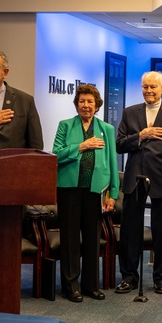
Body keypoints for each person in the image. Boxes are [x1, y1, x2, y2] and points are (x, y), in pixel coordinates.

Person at [114, 71, 162, 296]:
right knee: (129, 231)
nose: (148, 91)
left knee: (161, 231)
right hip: (134, 180)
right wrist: (141, 135)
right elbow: (119, 145)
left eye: (153, 87)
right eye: (145, 87)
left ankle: (160, 278)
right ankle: (128, 277)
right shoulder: (130, 113)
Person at [52, 84, 119, 302]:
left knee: (92, 239)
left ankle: (91, 286)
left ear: (96, 105)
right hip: (69, 190)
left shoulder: (106, 129)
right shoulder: (65, 126)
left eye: (90, 101)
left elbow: (111, 162)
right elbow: (56, 155)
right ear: (76, 104)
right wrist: (82, 146)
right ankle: (71, 287)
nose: (86, 105)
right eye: (82, 101)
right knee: (70, 239)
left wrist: (113, 194)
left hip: (95, 191)